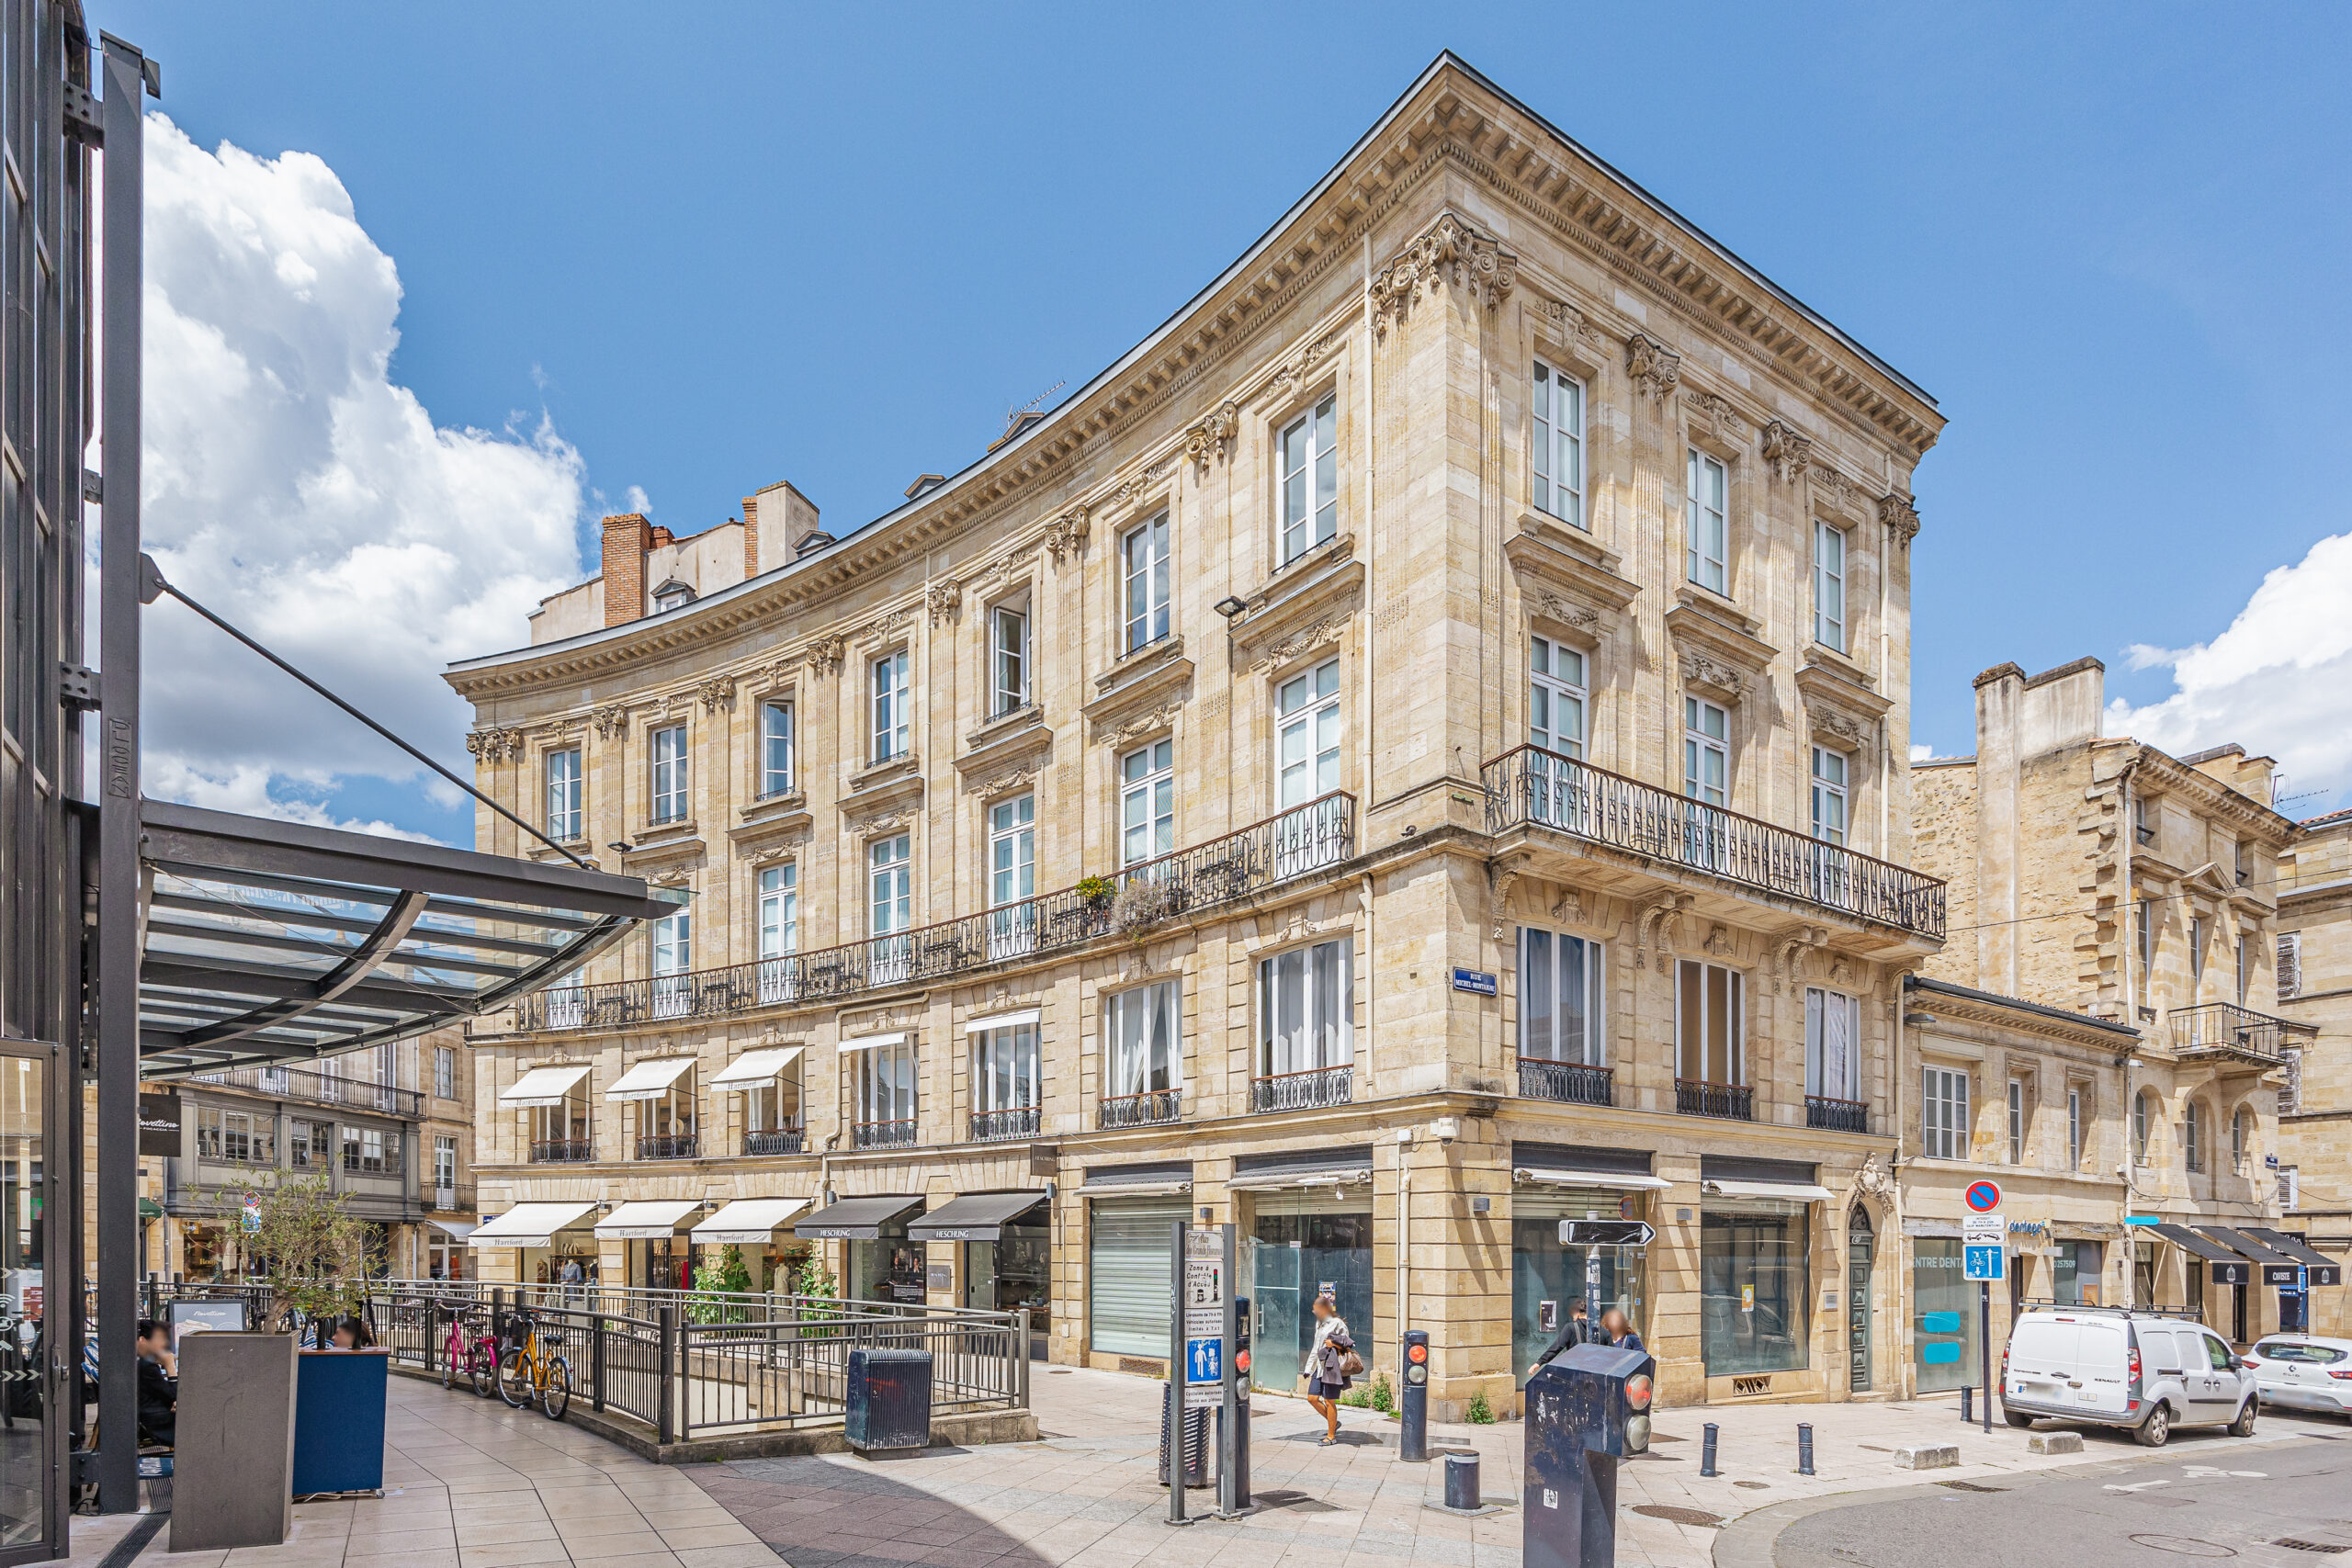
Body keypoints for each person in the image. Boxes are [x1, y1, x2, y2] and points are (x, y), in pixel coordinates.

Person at [1301, 1293, 1355, 1447]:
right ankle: (1333, 1422)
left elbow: (1348, 1343)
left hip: (1331, 1367)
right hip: (1319, 1367)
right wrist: (1308, 1368)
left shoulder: (1337, 1323)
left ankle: (1331, 1436)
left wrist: (1334, 1344)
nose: (1315, 1312)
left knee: (1329, 1401)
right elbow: (1315, 1347)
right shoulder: (1319, 1324)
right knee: (1312, 1398)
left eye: (1316, 1309)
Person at [134, 1319, 176, 1448]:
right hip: (161, 1424)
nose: (164, 1343)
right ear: (142, 1340)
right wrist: (170, 1366)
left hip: (148, 1416)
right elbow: (173, 1395)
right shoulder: (146, 1367)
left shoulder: (138, 1362)